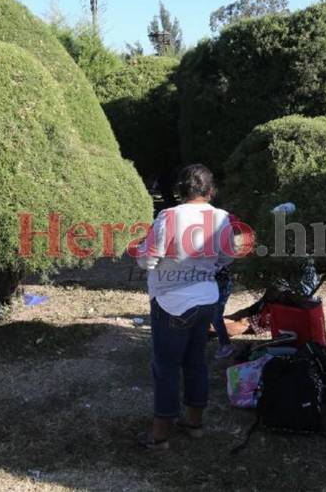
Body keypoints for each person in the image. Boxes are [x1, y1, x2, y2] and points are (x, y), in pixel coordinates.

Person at [136, 163, 235, 450]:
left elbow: (147, 259)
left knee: (166, 367)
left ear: (180, 190)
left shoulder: (169, 217)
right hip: (206, 299)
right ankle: (194, 424)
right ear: (211, 190)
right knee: (195, 362)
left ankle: (160, 435)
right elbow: (227, 257)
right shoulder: (222, 218)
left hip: (171, 301)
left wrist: (145, 256)